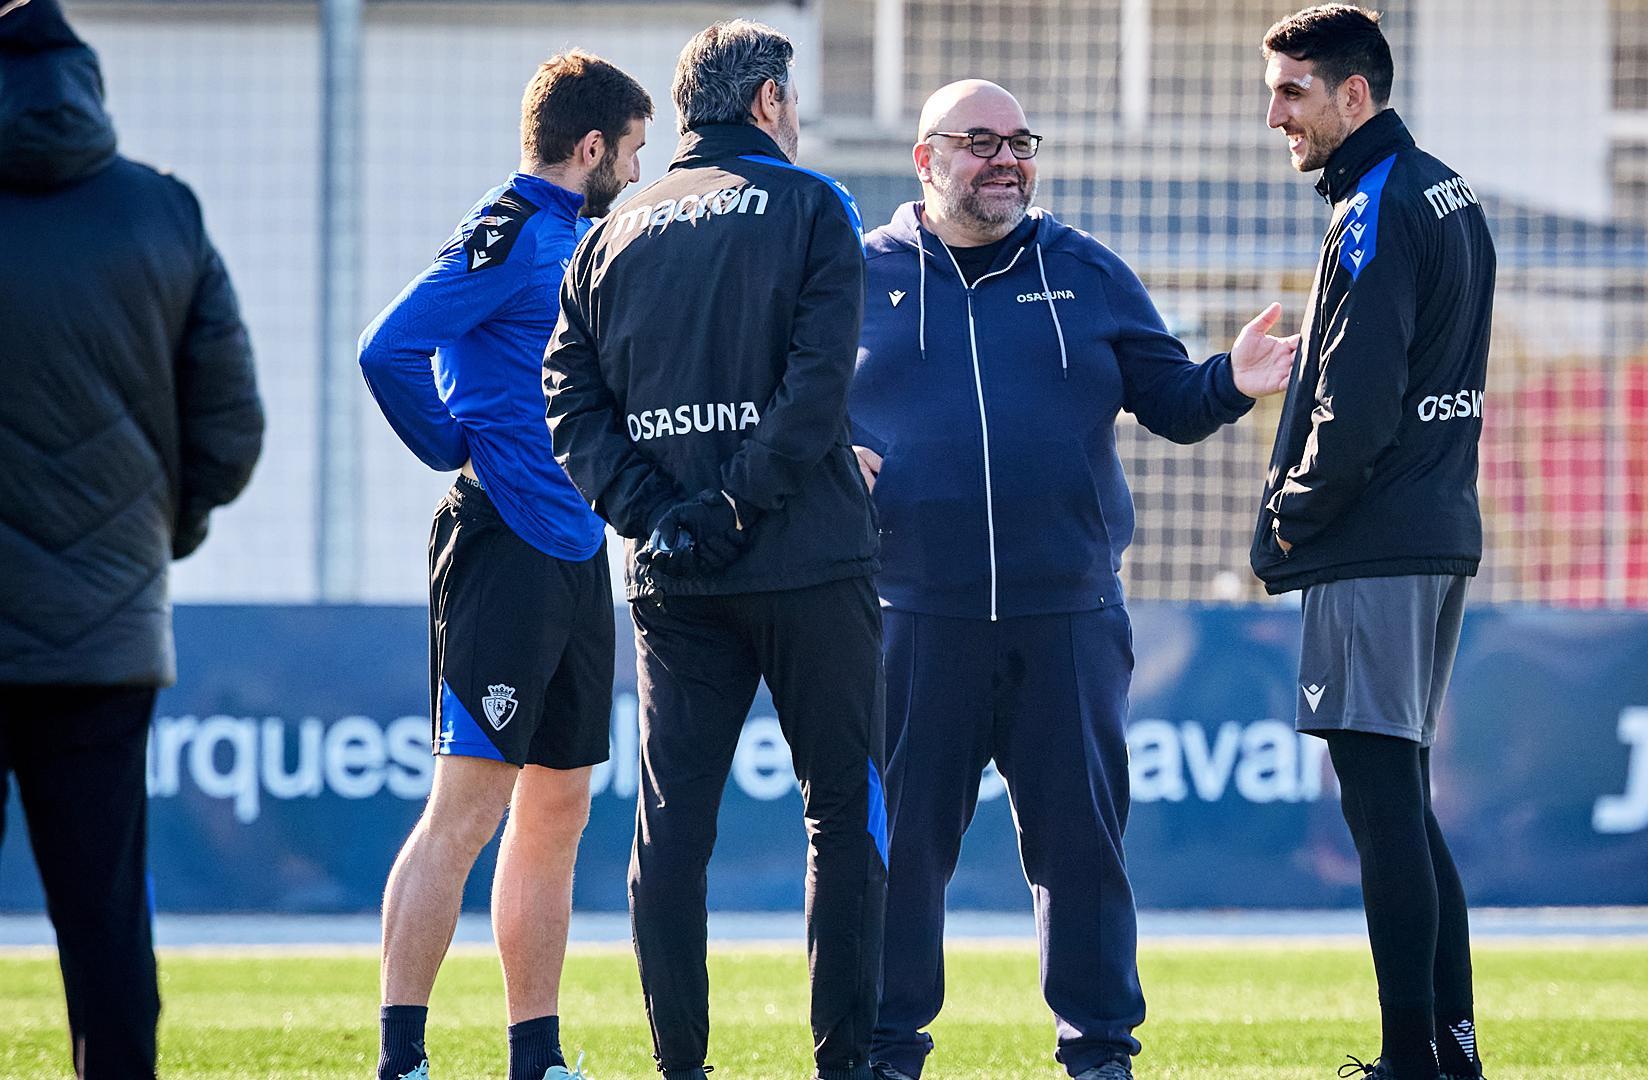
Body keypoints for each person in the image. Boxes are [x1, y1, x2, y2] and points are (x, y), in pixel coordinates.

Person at [849, 80, 1296, 1080]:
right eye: (980, 143)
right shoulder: (852, 276)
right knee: (899, 857)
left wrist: (1235, 376)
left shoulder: (1088, 271)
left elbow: (1173, 402)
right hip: (911, 619)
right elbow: (791, 409)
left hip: (1070, 619)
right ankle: (883, 1054)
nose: (1006, 159)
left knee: (1083, 854)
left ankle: (1099, 1056)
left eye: (1020, 142)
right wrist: (828, 457)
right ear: (926, 161)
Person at [542, 20, 885, 1080]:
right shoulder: (813, 205)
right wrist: (736, 504)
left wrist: (652, 511)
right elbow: (818, 387)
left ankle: (678, 1068)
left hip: (672, 577)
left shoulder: (611, 228)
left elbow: (567, 392)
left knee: (672, 830)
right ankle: (844, 1064)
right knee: (843, 811)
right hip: (809, 561)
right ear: (771, 101)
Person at [357, 48, 652, 1080]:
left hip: (578, 551)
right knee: (469, 805)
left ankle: (538, 1055)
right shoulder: (515, 227)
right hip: (502, 548)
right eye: (631, 150)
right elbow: (386, 347)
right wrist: (452, 442)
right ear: (591, 147)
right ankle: (404, 1056)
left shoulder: (583, 236)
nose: (635, 167)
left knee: (559, 809)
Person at [0, 1, 265, 1076]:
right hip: (106, 634)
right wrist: (164, 530)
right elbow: (232, 430)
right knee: (104, 922)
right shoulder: (163, 213)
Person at [1249, 7, 1496, 1079]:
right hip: (1436, 528)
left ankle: (1412, 1060)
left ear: (1357, 95)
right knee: (1404, 798)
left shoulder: (1375, 207)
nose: (1275, 115)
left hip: (1376, 537)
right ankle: (1449, 1050)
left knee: (1382, 804)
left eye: (1293, 91)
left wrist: (1290, 514)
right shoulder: (1446, 188)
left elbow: (1356, 401)